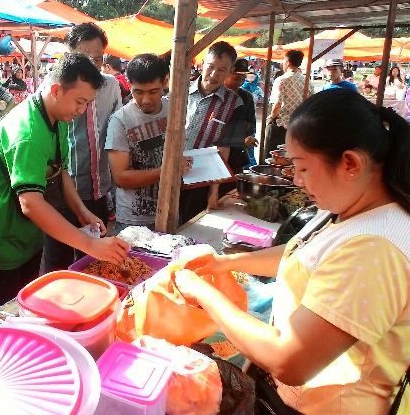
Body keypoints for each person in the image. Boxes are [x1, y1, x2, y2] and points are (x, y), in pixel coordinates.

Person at [174, 88, 410, 414]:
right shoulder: (352, 204)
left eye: (302, 167)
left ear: (350, 163)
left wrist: (203, 293)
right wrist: (224, 262)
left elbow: (288, 360)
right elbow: (303, 253)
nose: (297, 181)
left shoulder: (375, 249)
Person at [0, 53, 129, 318]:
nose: (82, 110)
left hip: (26, 235)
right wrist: (90, 245)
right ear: (56, 90)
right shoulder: (28, 133)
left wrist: (81, 210)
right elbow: (31, 204)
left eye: (88, 103)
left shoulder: (57, 117)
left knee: (25, 304)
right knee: (3, 314)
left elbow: (58, 170)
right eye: (79, 102)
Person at [39, 22, 122, 272]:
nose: (91, 66)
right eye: (83, 58)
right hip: (64, 191)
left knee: (94, 261)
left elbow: (117, 132)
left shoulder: (111, 86)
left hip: (98, 188)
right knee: (58, 262)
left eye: (97, 59)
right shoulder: (56, 89)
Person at [105, 54, 190, 232]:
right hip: (134, 221)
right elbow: (121, 178)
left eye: (153, 91)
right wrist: (168, 170)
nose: (146, 100)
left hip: (172, 209)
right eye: (138, 92)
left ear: (165, 82)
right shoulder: (120, 121)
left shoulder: (174, 110)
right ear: (129, 84)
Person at [181, 41, 243, 221]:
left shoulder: (235, 104)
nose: (214, 74)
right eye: (210, 66)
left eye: (222, 70)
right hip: (166, 172)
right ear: (202, 64)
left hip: (199, 181)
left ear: (230, 71)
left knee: (188, 224)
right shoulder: (179, 90)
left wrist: (213, 193)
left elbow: (224, 150)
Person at [264, 49, 311, 156]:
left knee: (274, 157)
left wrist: (271, 118)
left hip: (281, 127)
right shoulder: (307, 81)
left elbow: (277, 104)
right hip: (299, 127)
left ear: (287, 62)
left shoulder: (282, 80)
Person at [221, 58, 258, 175]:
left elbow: (251, 124)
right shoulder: (216, 95)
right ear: (227, 73)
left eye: (243, 79)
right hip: (215, 154)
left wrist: (248, 137)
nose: (240, 82)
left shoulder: (246, 97)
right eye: (236, 78)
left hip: (237, 155)